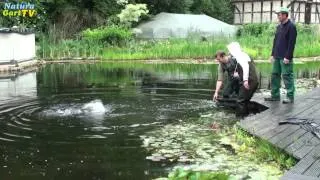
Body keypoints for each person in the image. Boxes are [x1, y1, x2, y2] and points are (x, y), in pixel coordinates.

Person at [213, 42, 259, 116]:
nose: (218, 61)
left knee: (241, 99)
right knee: (225, 94)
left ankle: (241, 115)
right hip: (235, 80)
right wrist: (216, 92)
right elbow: (219, 79)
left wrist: (245, 80)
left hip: (244, 79)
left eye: (219, 59)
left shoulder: (237, 58)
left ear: (223, 56)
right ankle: (237, 109)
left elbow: (246, 67)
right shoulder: (221, 65)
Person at [265, 7, 297, 104]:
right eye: (278, 15)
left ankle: (290, 97)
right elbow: (275, 42)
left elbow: (292, 43)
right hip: (277, 56)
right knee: (275, 75)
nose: (278, 16)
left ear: (285, 15)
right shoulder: (279, 27)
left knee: (287, 76)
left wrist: (288, 57)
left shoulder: (291, 27)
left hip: (285, 57)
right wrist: (272, 54)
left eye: (279, 15)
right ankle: (275, 96)